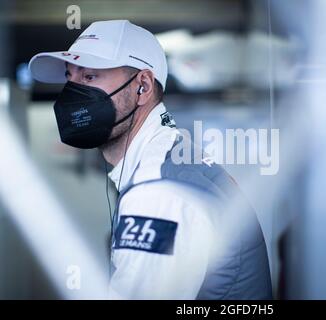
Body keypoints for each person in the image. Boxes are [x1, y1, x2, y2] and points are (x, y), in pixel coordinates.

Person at [28, 20, 272, 299]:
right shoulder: (175, 158)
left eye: (90, 77)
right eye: (69, 77)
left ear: (142, 86)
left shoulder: (156, 193)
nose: (72, 93)